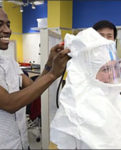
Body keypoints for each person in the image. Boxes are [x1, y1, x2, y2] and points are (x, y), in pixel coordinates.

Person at [50, 27, 121, 149]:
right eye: (105, 69)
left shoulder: (115, 99)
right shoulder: (76, 109)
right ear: (87, 74)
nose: (111, 75)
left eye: (112, 68)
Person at [0, 7, 70, 149]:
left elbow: (32, 87)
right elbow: (9, 104)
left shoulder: (9, 62)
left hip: (20, 143)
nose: (7, 30)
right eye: (0, 24)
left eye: (8, 24)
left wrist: (49, 63)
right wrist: (52, 74)